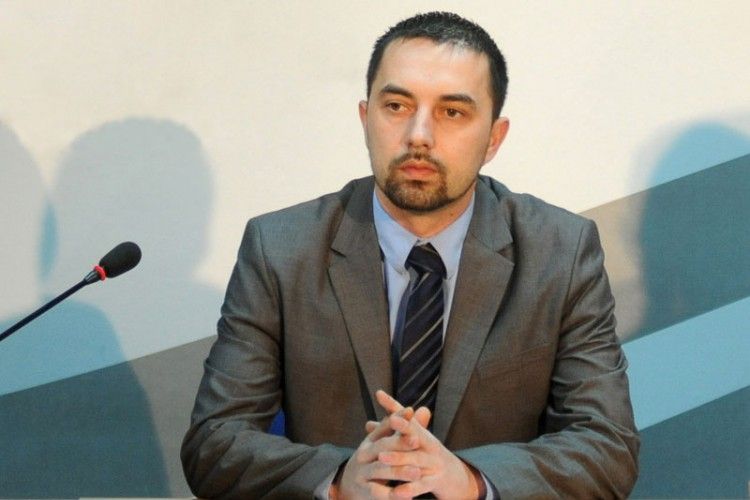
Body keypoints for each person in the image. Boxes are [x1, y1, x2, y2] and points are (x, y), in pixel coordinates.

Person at [181, 11, 639, 499]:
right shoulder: (281, 248)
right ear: (366, 119)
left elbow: (606, 447)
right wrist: (339, 480)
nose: (419, 135)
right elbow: (214, 444)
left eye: (452, 112)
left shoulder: (560, 253)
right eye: (397, 106)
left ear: (494, 138)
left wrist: (470, 481)